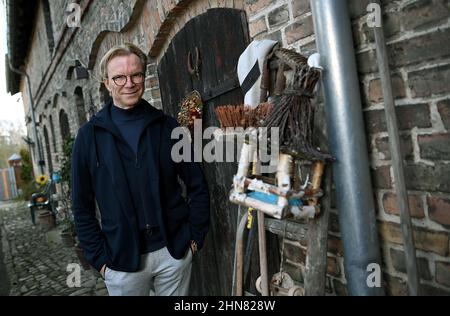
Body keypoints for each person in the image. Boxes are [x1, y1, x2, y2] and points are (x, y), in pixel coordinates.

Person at [71, 43, 210, 296]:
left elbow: (197, 184)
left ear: (143, 76)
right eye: (119, 77)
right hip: (121, 262)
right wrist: (100, 261)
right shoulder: (88, 137)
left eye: (136, 75)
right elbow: (81, 206)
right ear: (106, 83)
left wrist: (194, 238)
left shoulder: (167, 127)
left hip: (173, 254)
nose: (129, 83)